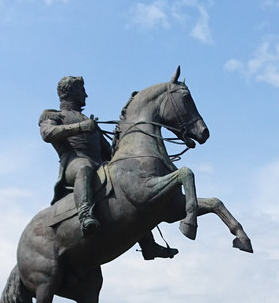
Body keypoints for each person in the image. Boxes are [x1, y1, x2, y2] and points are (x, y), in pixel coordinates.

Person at [40, 76, 177, 259]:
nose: (86, 95)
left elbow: (108, 150)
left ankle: (148, 245)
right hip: (74, 161)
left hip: (100, 163)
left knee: (130, 186)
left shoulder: (88, 121)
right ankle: (85, 215)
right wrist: (81, 127)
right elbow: (48, 134)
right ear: (69, 92)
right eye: (82, 90)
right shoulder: (52, 115)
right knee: (84, 168)